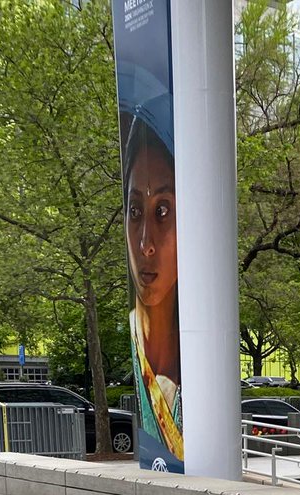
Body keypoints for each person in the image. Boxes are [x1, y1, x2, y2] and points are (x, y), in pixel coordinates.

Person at [123, 115, 182, 460]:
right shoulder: (135, 344)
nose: (146, 243)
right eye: (134, 211)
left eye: (162, 210)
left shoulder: (195, 359)